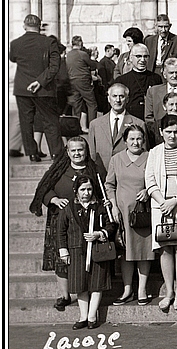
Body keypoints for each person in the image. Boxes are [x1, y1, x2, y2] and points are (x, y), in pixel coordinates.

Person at [30, 136, 103, 311]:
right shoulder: (59, 168)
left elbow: (101, 191)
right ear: (68, 152)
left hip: (86, 222)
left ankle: (85, 292)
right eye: (74, 150)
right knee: (61, 258)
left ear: (86, 151)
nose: (77, 153)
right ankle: (65, 295)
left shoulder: (94, 170)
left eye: (81, 149)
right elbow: (44, 189)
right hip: (60, 219)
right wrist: (54, 199)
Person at [145, 115, 177, 314]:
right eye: (168, 132)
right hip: (161, 205)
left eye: (175, 131)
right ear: (161, 132)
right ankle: (168, 292)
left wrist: (175, 200)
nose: (172, 135)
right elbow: (149, 180)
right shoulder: (154, 152)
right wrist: (163, 203)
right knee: (165, 248)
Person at [55, 175, 117, 329]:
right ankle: (83, 316)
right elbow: (61, 231)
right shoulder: (68, 208)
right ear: (76, 191)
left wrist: (99, 234)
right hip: (76, 252)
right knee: (80, 286)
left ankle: (92, 316)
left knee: (97, 284)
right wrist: (64, 251)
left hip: (97, 251)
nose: (86, 193)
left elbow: (111, 226)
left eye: (89, 189)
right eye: (83, 189)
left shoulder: (101, 207)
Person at [105, 125, 154, 305]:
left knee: (143, 250)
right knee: (126, 251)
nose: (136, 142)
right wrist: (113, 206)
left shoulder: (150, 157)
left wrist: (148, 191)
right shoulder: (116, 159)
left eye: (139, 138)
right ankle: (127, 289)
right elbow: (109, 185)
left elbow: (156, 179)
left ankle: (142, 289)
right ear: (125, 141)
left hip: (143, 213)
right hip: (123, 213)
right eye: (132, 139)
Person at [11, 14, 65, 161]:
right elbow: (55, 66)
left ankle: (32, 153)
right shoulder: (49, 42)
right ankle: (56, 152)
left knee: (26, 121)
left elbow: (13, 58)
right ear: (40, 26)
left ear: (24, 26)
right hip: (45, 88)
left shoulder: (16, 43)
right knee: (50, 121)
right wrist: (40, 81)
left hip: (22, 87)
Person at [86, 83, 142, 170]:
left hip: (128, 174)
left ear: (127, 99)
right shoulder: (95, 125)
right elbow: (92, 154)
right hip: (103, 174)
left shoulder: (138, 124)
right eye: (114, 96)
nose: (118, 100)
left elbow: (142, 156)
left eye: (121, 96)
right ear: (108, 98)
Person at [66, 36, 101, 133]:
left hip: (72, 81)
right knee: (92, 103)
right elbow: (93, 65)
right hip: (83, 81)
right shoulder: (82, 54)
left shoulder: (68, 55)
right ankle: (93, 126)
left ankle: (76, 127)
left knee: (77, 104)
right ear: (80, 43)